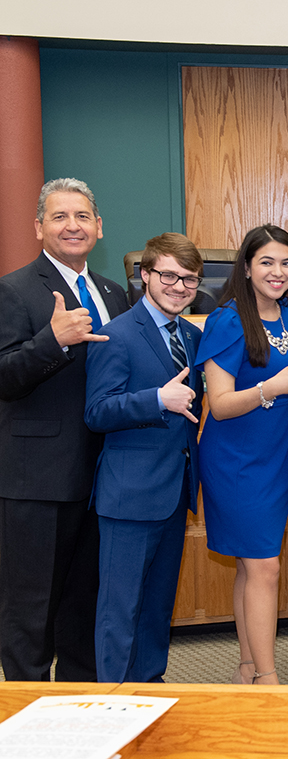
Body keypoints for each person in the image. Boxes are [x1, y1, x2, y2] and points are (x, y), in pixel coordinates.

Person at [0, 178, 128, 682]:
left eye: (81, 217)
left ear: (98, 227)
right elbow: (4, 377)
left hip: (104, 477)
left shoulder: (115, 293)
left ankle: (82, 719)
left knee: (86, 613)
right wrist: (51, 341)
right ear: (38, 228)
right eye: (59, 217)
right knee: (29, 617)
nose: (72, 226)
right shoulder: (11, 290)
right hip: (38, 483)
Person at [84, 233, 206, 682]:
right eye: (169, 275)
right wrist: (157, 398)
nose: (178, 286)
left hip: (175, 492)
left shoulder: (192, 335)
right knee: (119, 613)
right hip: (128, 497)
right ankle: (113, 704)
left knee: (157, 610)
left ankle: (150, 692)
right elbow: (97, 411)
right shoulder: (115, 335)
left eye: (189, 279)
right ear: (145, 275)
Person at [194, 225, 288, 685]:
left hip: (275, 453)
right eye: (266, 262)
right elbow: (219, 406)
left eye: (286, 263)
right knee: (265, 565)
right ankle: (268, 677)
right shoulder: (227, 320)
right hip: (235, 460)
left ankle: (247, 666)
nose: (278, 272)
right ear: (246, 267)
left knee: (252, 563)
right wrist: (269, 389)